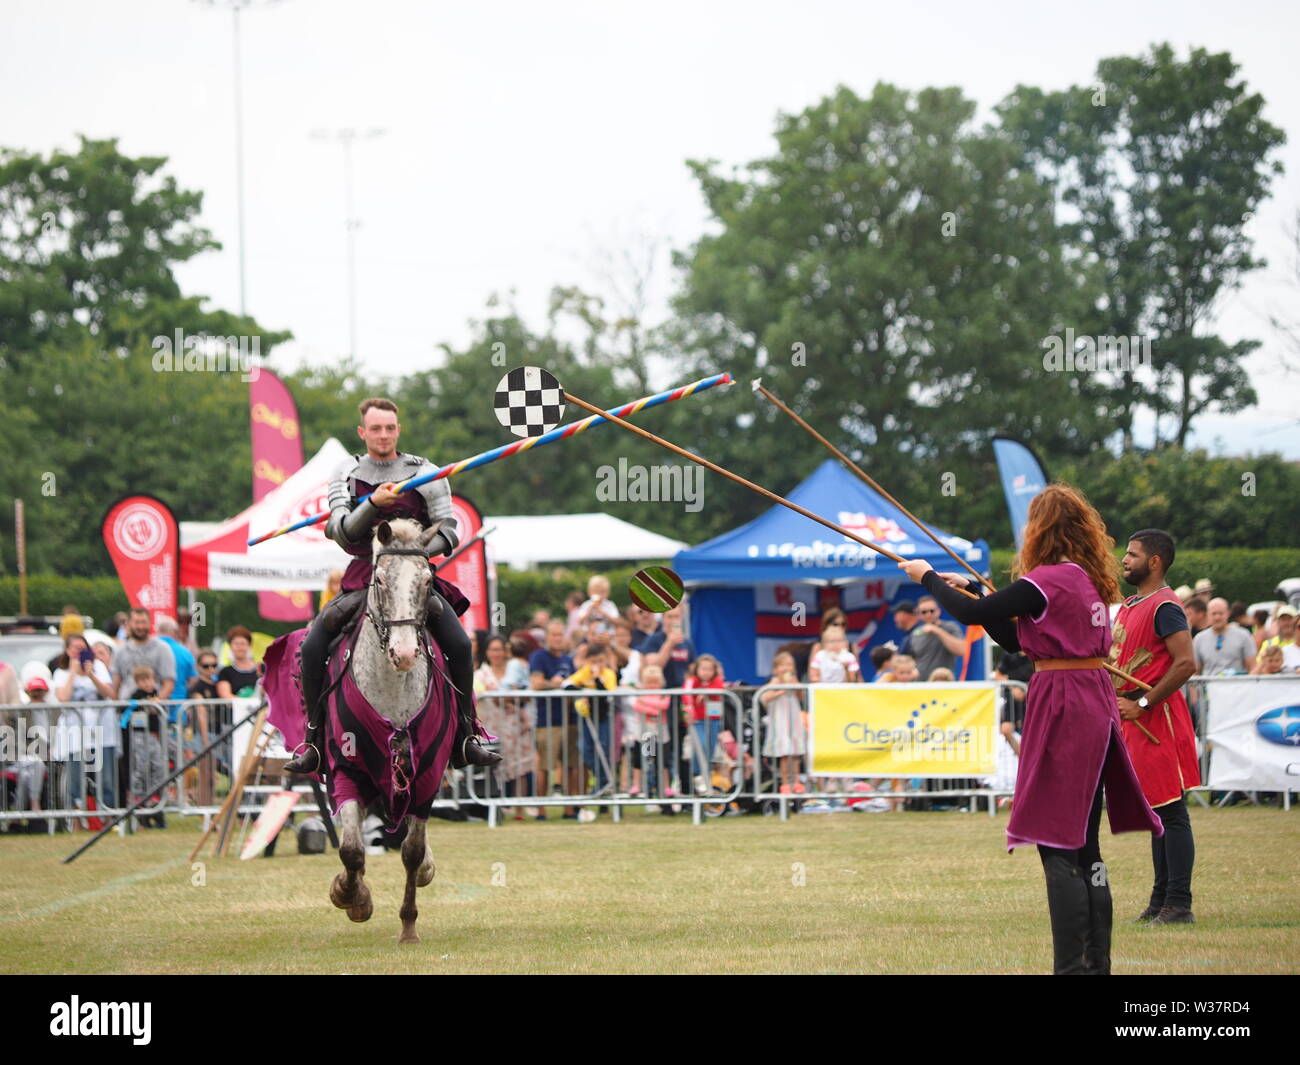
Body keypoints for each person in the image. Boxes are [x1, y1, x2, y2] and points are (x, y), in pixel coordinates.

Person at [901, 483, 1163, 976]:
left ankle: (1072, 969)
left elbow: (977, 618)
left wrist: (928, 578)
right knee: (1084, 847)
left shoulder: (1048, 579)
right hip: (1090, 704)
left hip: (1065, 708)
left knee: (1057, 844)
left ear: (1040, 529)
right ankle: (1095, 965)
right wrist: (974, 589)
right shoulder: (1081, 579)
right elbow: (1017, 637)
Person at [283, 397, 498, 774]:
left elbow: (449, 530)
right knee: (314, 644)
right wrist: (372, 504)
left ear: (398, 430)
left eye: (389, 428)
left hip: (414, 580)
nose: (383, 435)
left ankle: (467, 734)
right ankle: (314, 739)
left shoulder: (425, 471)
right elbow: (341, 533)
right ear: (362, 432)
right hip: (363, 576)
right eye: (376, 429)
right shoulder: (346, 472)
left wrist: (412, 555)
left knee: (461, 644)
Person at [1112, 529, 1201, 926]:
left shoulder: (1165, 605)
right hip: (1134, 713)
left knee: (1171, 812)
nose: (1124, 561)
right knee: (1157, 811)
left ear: (1154, 561)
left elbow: (1185, 663)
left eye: (1131, 555)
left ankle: (1178, 903)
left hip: (1156, 716)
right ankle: (1160, 899)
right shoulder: (1131, 604)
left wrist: (1143, 703)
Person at [51, 633, 117, 810]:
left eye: (83, 648)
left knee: (106, 778)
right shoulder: (61, 672)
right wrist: (73, 672)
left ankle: (107, 815)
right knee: (76, 777)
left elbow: (109, 693)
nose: (80, 652)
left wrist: (92, 676)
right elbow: (63, 698)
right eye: (76, 648)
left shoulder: (99, 667)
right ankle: (78, 818)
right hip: (74, 734)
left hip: (101, 732)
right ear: (67, 651)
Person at [530, 620, 578, 818]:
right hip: (548, 720)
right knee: (545, 766)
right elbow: (537, 684)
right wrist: (555, 684)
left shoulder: (568, 659)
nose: (558, 639)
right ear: (547, 637)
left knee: (570, 766)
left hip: (570, 719)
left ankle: (569, 809)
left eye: (560, 635)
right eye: (554, 635)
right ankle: (541, 809)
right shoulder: (538, 657)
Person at [563, 644, 619, 798]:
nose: (596, 665)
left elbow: (608, 694)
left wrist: (596, 680)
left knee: (603, 748)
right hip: (587, 716)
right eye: (593, 661)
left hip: (603, 717)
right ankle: (602, 780)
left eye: (600, 661)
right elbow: (566, 684)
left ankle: (605, 783)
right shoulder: (584, 672)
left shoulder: (608, 674)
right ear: (587, 661)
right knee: (585, 748)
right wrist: (583, 691)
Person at [760, 652, 806, 794]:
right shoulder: (774, 682)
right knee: (786, 754)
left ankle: (797, 781)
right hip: (781, 720)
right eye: (783, 665)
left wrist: (796, 686)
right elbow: (764, 698)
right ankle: (786, 783)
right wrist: (781, 690)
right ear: (776, 669)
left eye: (789, 665)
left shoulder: (794, 680)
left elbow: (801, 697)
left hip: (793, 719)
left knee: (795, 753)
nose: (787, 668)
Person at [111, 608, 176, 703]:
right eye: (137, 622)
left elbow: (169, 682)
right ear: (129, 623)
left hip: (154, 711)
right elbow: (116, 683)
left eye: (144, 622)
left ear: (150, 623)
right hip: (127, 709)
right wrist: (117, 706)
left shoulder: (162, 648)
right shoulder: (120, 650)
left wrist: (157, 701)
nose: (140, 627)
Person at [683, 653, 726, 794]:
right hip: (697, 721)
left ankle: (706, 773)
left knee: (710, 748)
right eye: (703, 669)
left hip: (713, 720)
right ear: (697, 669)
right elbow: (686, 694)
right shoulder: (692, 681)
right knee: (700, 745)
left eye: (710, 669)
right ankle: (697, 773)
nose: (706, 672)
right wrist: (688, 712)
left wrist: (705, 692)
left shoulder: (717, 681)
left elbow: (720, 688)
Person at [1192, 598, 1256, 675]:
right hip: (1209, 685)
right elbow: (1195, 671)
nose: (1217, 617)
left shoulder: (1243, 635)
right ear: (1207, 615)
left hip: (1237, 685)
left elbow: (1252, 667)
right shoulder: (1199, 639)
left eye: (1221, 613)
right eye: (1214, 614)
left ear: (1228, 613)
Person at [906, 597, 966, 679]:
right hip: (920, 684)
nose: (928, 614)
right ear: (919, 614)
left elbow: (961, 650)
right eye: (924, 612)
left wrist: (937, 631)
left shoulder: (950, 627)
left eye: (932, 611)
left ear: (938, 611)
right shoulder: (916, 633)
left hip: (942, 682)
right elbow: (913, 659)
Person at [1260, 606, 1300, 671]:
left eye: (1289, 619)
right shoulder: (1269, 643)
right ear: (1278, 622)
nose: (1286, 623)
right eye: (1283, 620)